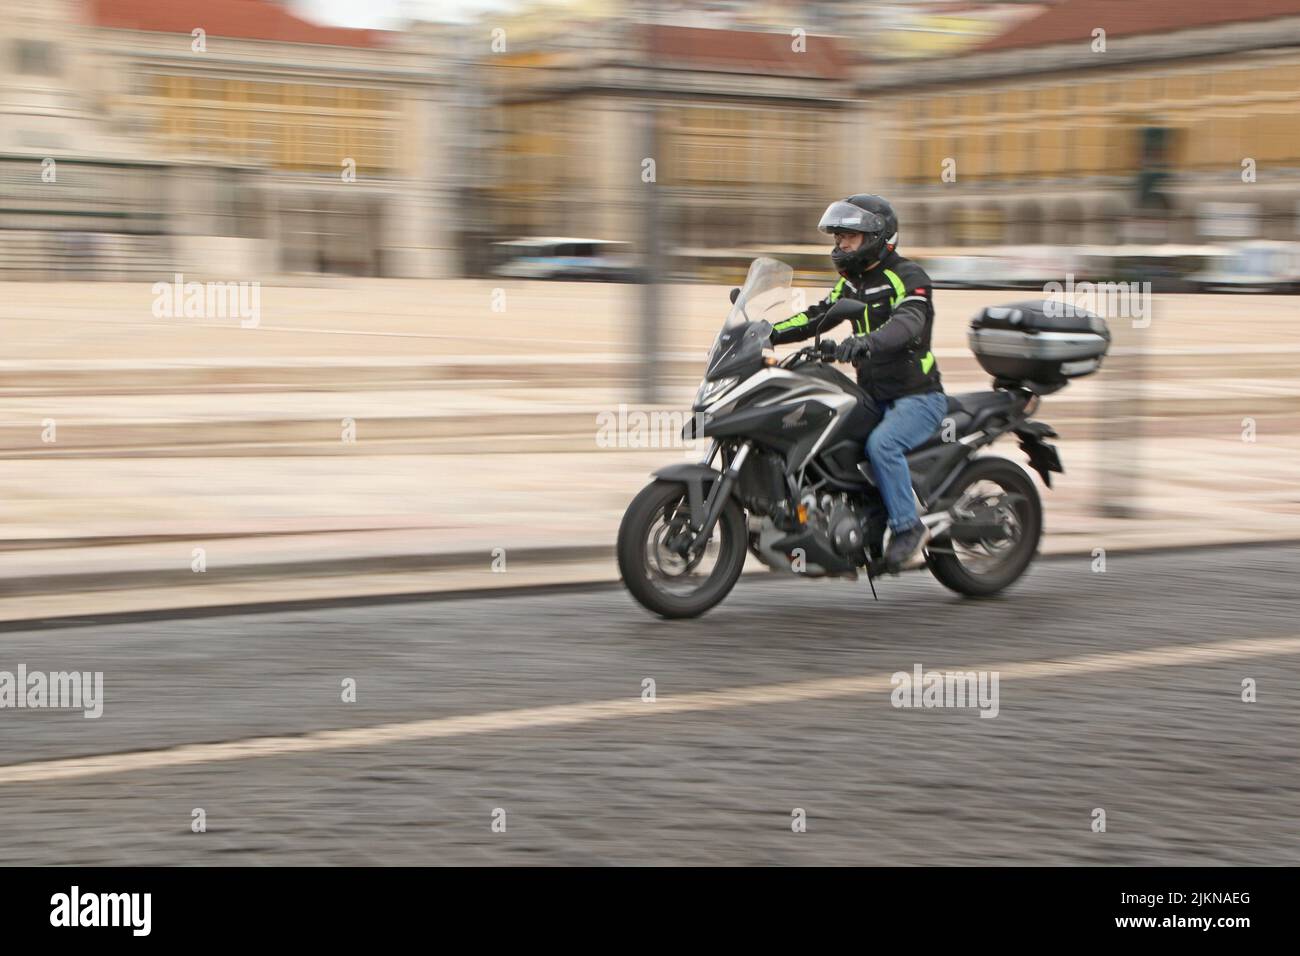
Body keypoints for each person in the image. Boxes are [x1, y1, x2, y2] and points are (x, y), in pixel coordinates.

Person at [769, 194, 947, 570]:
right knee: (828, 437)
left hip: (917, 397)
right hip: (871, 395)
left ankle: (907, 528)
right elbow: (818, 316)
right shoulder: (853, 282)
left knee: (882, 445)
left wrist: (866, 341)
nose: (840, 244)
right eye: (837, 236)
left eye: (849, 236)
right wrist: (764, 333)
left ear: (877, 237)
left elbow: (909, 323)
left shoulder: (908, 276)